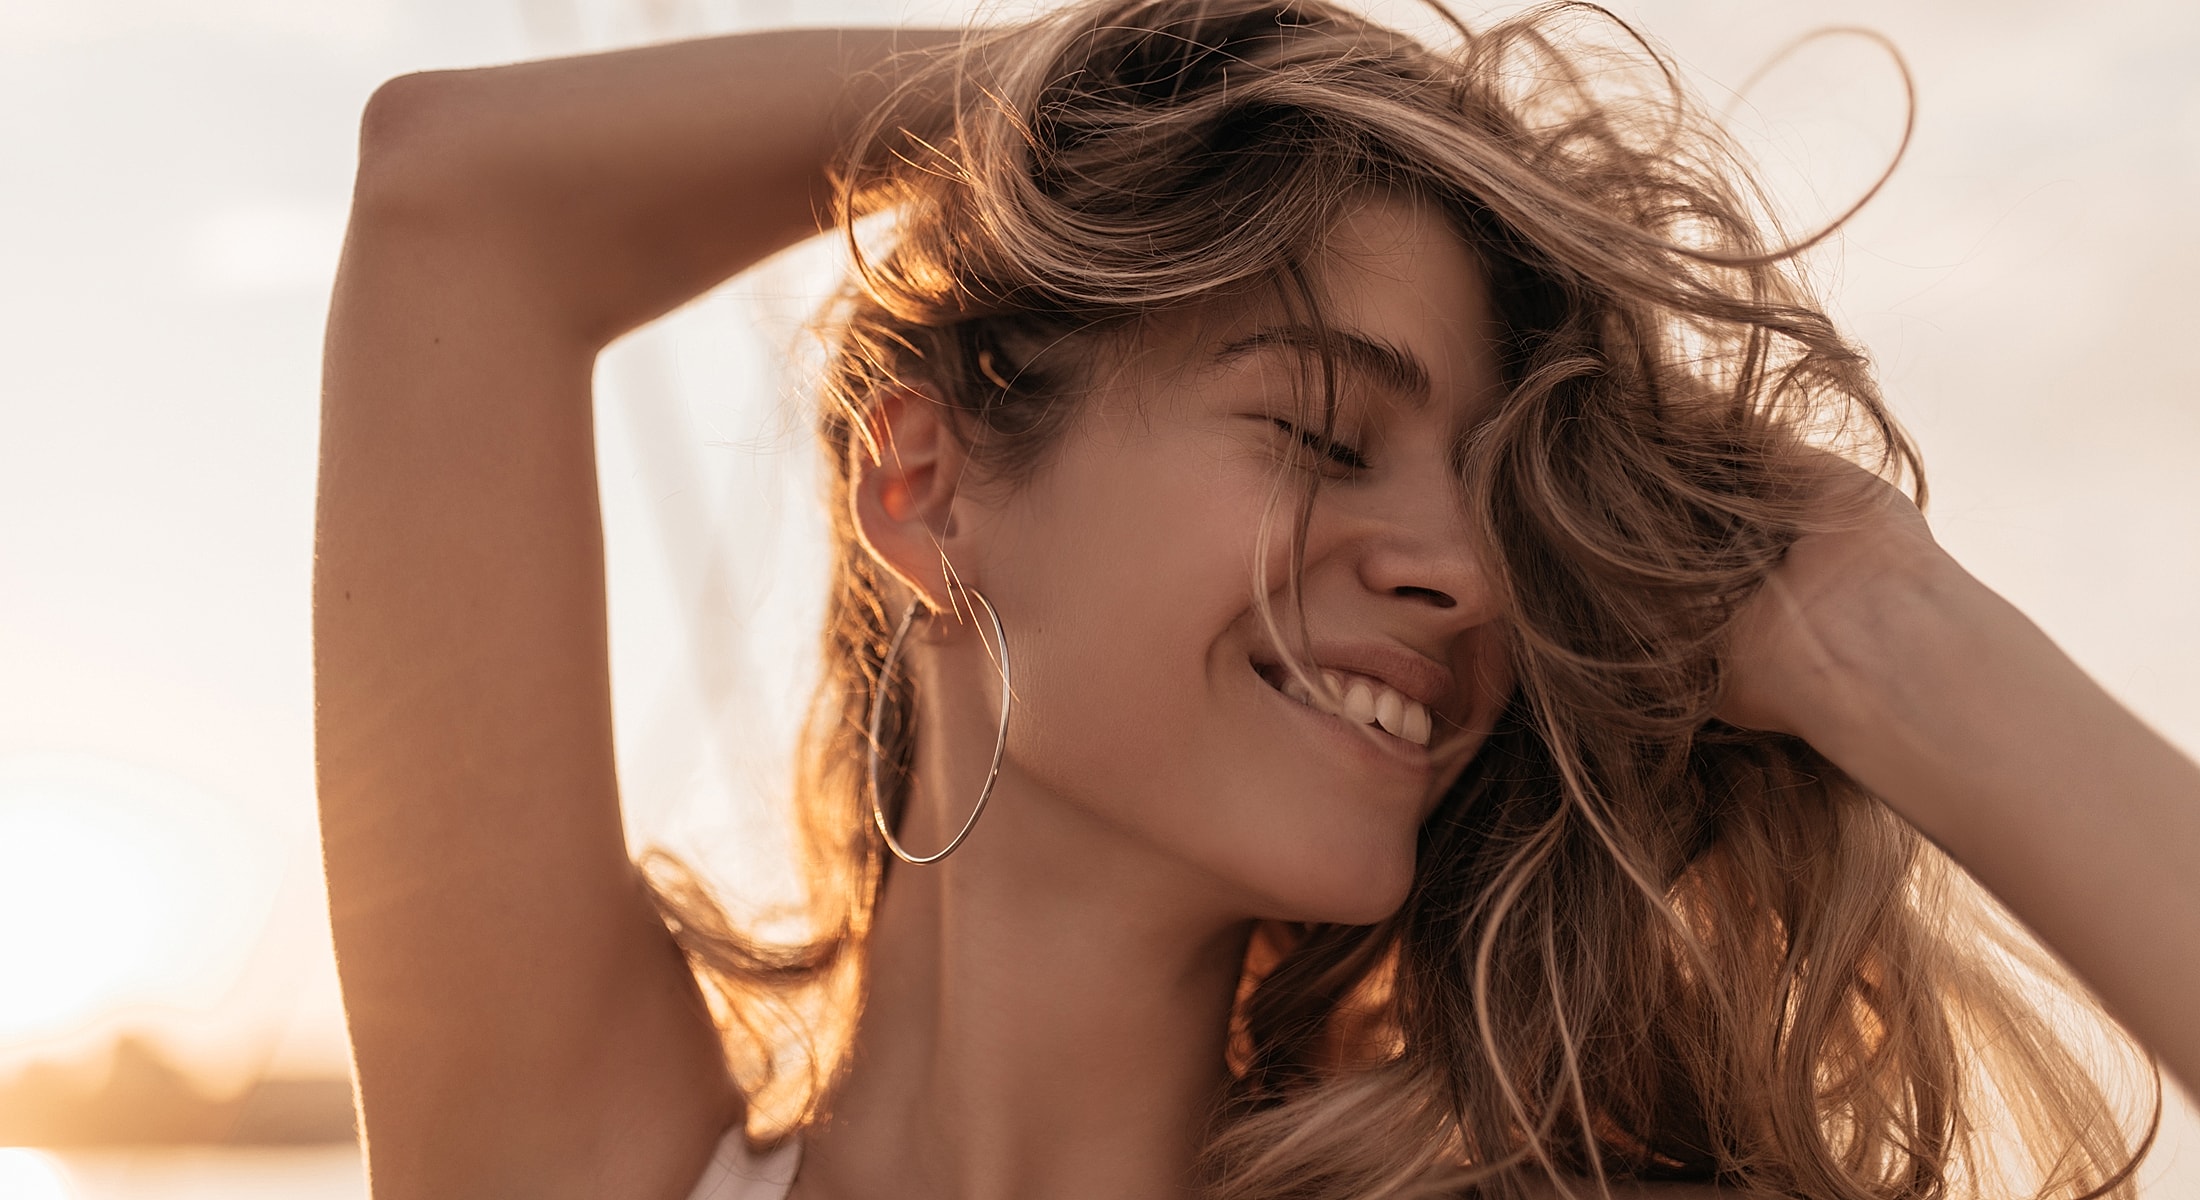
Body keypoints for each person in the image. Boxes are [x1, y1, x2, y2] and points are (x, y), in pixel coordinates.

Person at [312, 2, 2200, 1197]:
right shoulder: (586, 1167)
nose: (1463, 574)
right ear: (926, 487)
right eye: (1318, 430)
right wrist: (1172, 86)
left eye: (1497, 505)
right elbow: (455, 192)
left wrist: (1884, 629)